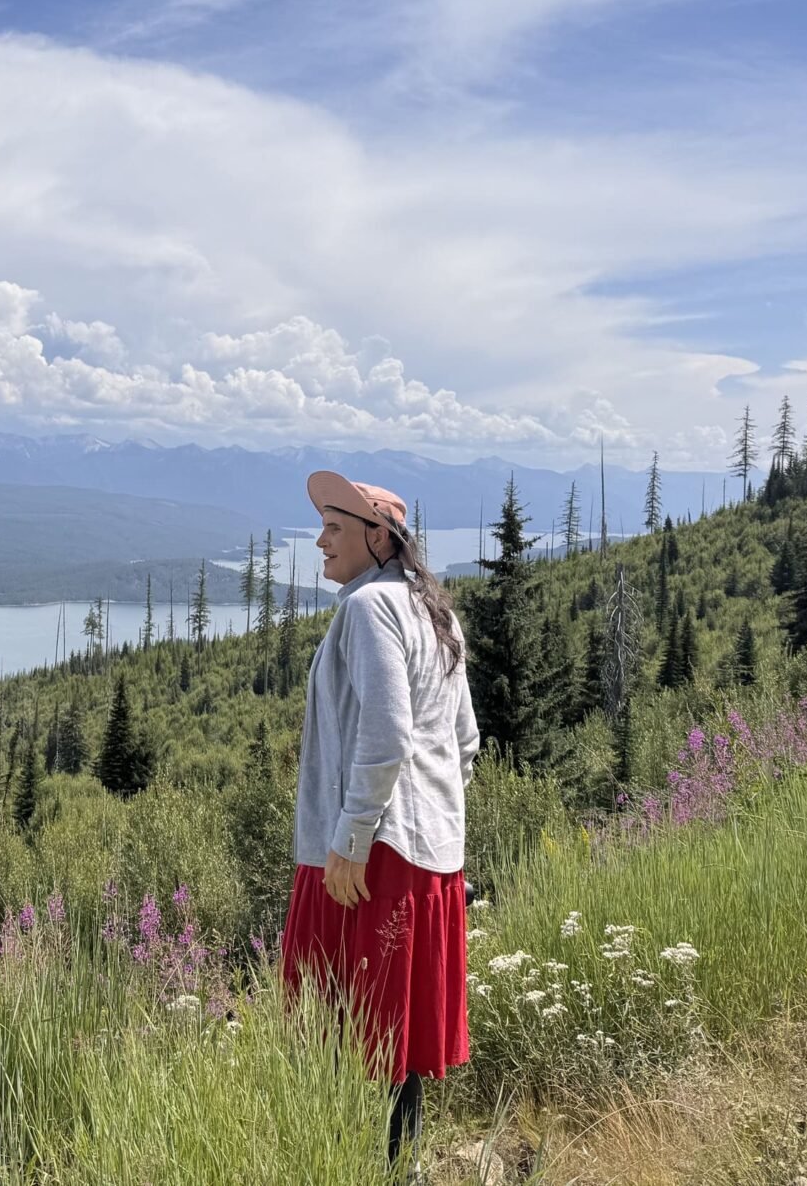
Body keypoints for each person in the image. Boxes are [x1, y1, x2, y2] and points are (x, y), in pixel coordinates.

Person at [281, 470, 481, 1178]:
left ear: (375, 537)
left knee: (350, 1032)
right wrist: (430, 819)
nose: (319, 541)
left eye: (333, 528)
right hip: (429, 855)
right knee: (393, 1039)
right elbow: (464, 744)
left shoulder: (368, 609)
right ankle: (402, 1170)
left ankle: (364, 1170)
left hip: (369, 857)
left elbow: (388, 734)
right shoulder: (433, 611)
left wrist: (351, 838)